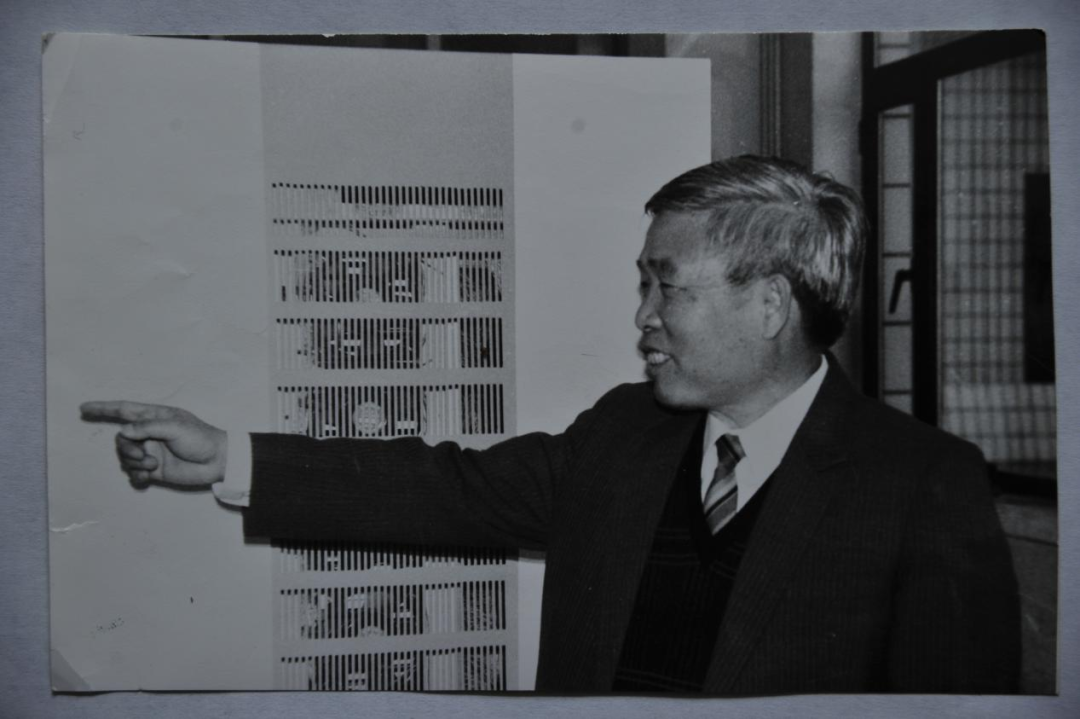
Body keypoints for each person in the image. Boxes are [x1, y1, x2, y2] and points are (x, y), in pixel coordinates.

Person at [81, 156, 1020, 694]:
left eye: (667, 286)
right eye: (642, 283)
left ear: (771, 302)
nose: (643, 317)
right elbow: (449, 489)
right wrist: (229, 457)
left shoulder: (922, 483)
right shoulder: (624, 430)